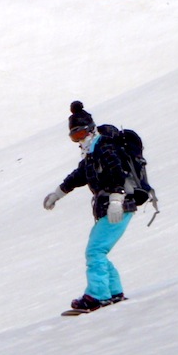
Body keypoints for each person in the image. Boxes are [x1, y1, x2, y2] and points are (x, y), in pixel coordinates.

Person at [43, 114, 136, 312]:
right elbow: (78, 176)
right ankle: (113, 292)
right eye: (74, 136)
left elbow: (117, 172)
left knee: (95, 251)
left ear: (91, 129)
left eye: (82, 132)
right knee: (98, 250)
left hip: (118, 206)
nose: (79, 138)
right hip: (108, 208)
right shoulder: (92, 153)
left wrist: (116, 199)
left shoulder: (105, 148)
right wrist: (57, 194)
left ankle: (97, 296)